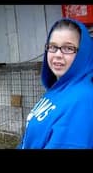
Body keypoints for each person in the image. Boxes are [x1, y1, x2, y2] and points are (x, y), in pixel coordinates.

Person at [18, 18, 93, 149]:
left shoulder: (83, 99)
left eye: (68, 48)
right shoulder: (59, 89)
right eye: (52, 47)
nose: (57, 54)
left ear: (83, 53)